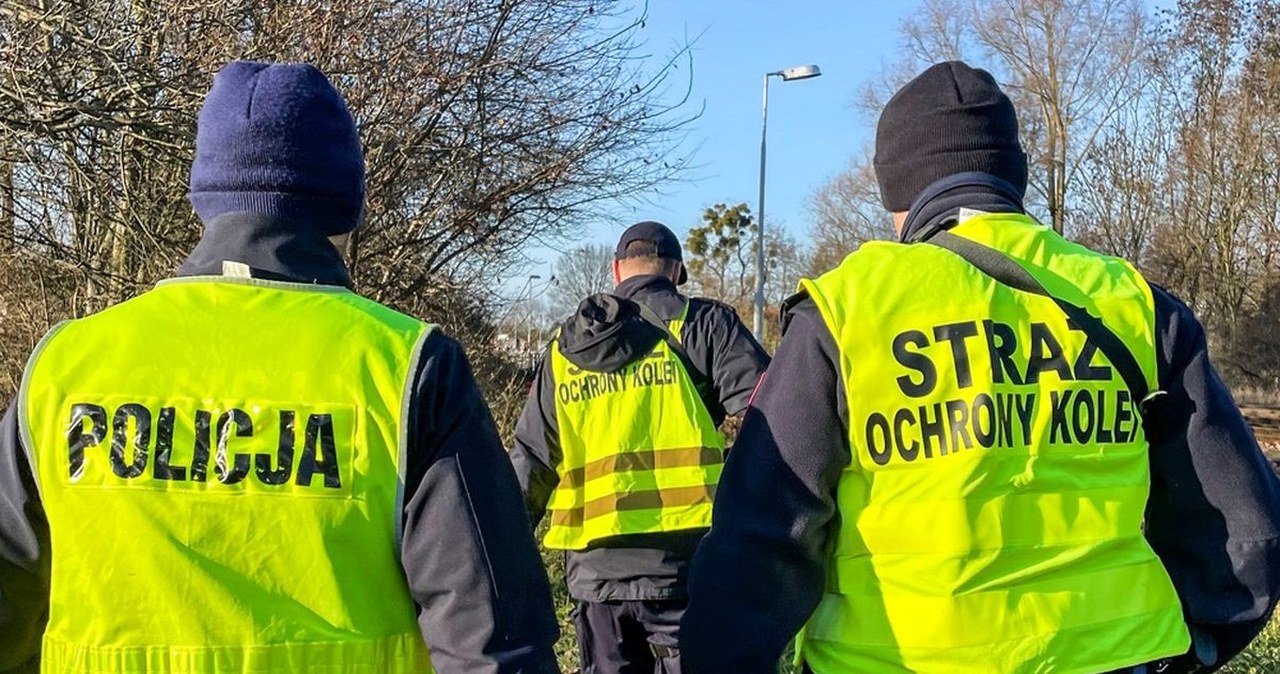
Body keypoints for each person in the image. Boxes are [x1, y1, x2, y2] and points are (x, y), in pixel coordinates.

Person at [682, 61, 1280, 674]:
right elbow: (1244, 523)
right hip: (1115, 661)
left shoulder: (847, 311)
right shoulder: (1133, 303)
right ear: (1010, 175)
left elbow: (758, 538)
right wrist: (1199, 643)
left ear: (897, 193)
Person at [0, 61, 559, 674]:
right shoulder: (407, 365)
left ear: (203, 198)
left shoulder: (66, 364)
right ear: (346, 210)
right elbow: (491, 637)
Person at [509, 221, 770, 673]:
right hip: (686, 564)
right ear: (677, 272)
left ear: (616, 271)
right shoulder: (704, 325)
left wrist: (500, 554)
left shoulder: (562, 353)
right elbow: (774, 415)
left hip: (594, 574)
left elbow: (530, 461)